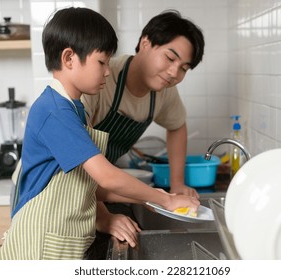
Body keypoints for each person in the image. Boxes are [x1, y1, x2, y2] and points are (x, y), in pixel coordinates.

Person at [0, 7, 199, 260]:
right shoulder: (55, 111)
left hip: (61, 238)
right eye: (102, 62)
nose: (107, 70)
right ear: (69, 58)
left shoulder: (73, 108)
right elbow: (106, 177)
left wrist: (157, 198)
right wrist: (163, 200)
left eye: (184, 67)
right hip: (40, 242)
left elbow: (89, 186)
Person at [82, 9, 205, 259]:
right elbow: (73, 166)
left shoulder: (163, 92)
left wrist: (177, 183)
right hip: (65, 188)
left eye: (184, 68)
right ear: (145, 43)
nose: (174, 73)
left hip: (94, 187)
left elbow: (177, 125)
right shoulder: (101, 81)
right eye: (170, 58)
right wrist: (104, 217)